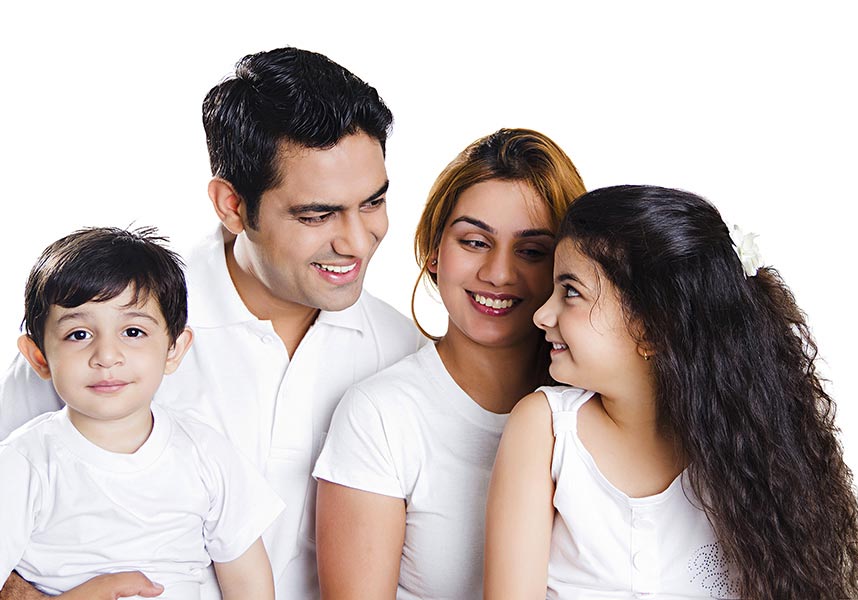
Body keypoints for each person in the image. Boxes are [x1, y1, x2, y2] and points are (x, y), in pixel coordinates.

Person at [0, 48, 421, 599]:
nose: (357, 241)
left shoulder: (400, 352)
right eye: (317, 215)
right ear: (231, 204)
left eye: (373, 203)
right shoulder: (107, 328)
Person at [483, 185, 858, 599]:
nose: (543, 315)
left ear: (653, 326)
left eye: (571, 292)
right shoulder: (545, 428)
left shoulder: (746, 446)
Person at [313, 128, 586, 599]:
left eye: (532, 251)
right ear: (435, 252)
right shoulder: (381, 416)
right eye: (475, 242)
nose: (498, 273)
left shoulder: (599, 408)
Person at [0, 227, 284, 599]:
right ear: (39, 357)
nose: (106, 356)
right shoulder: (24, 463)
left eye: (133, 332)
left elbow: (249, 584)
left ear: (174, 349)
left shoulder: (205, 453)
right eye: (79, 335)